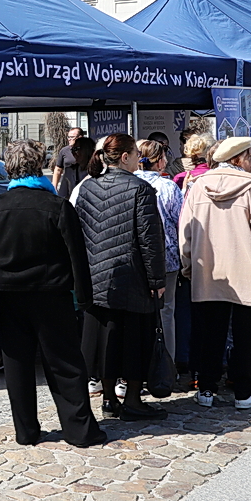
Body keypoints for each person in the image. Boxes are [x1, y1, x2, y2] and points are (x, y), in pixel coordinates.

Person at [0, 140, 106, 447]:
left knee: (17, 363)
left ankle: (26, 431)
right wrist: (84, 297)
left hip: (6, 295)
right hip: (50, 293)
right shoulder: (57, 206)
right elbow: (77, 256)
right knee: (64, 362)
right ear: (39, 165)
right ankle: (79, 430)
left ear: (9, 168)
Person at [179, 136, 251, 409]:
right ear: (238, 159)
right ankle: (243, 393)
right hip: (246, 271)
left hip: (209, 273)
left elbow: (185, 232)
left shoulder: (198, 186)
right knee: (246, 336)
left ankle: (206, 389)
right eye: (250, 156)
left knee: (210, 333)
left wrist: (188, 266)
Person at [72, 134, 168, 420]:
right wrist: (157, 280)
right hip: (131, 277)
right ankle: (133, 400)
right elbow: (150, 240)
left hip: (96, 277)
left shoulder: (88, 186)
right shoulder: (140, 188)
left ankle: (109, 398)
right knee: (134, 341)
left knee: (105, 342)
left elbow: (78, 234)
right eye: (136, 153)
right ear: (124, 157)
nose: (139, 158)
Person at [136, 140, 185, 376]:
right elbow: (180, 222)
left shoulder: (130, 183)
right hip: (167, 257)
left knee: (139, 313)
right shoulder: (168, 187)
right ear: (160, 161)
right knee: (166, 311)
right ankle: (167, 366)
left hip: (137, 257)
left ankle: (139, 367)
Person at [56, 135, 95, 199]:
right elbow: (62, 196)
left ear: (88, 150)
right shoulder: (70, 171)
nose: (73, 153)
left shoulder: (99, 170)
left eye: (76, 149)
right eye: (72, 150)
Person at [51, 127, 86, 195]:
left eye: (72, 137)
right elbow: (58, 170)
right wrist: (54, 187)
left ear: (80, 137)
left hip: (84, 185)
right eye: (68, 137)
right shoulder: (64, 151)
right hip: (67, 186)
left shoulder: (88, 151)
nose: (69, 139)